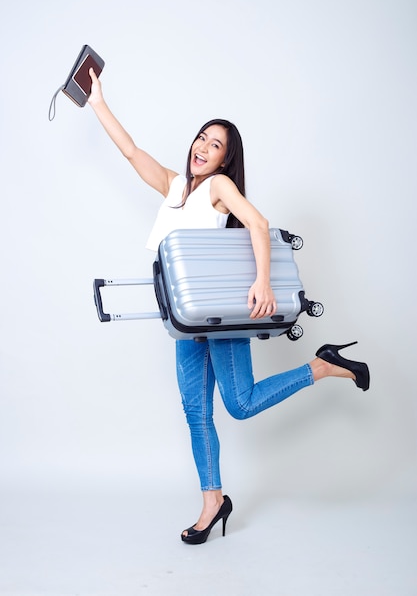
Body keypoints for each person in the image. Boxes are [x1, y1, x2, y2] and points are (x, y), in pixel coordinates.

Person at [87, 68, 370, 545]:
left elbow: (258, 223)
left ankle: (322, 367)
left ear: (225, 158)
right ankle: (212, 502)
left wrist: (262, 281)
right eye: (201, 138)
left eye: (214, 144)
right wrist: (96, 101)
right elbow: (131, 150)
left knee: (238, 405)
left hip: (219, 318)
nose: (202, 147)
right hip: (184, 322)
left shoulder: (218, 188)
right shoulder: (176, 187)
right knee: (197, 414)